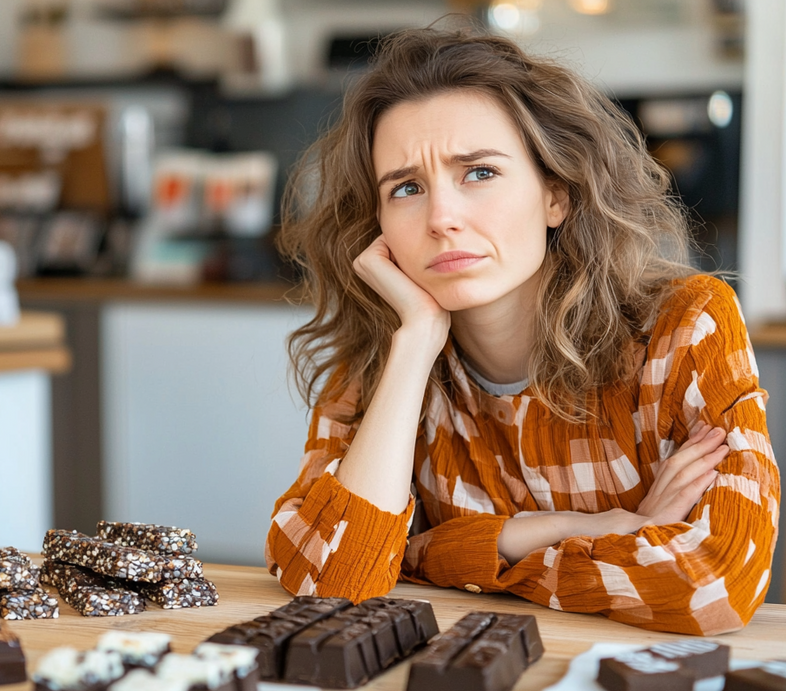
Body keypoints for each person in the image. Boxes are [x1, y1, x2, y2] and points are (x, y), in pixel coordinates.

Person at [265, 26, 779, 635]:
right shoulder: (384, 360)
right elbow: (328, 582)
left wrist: (426, 553)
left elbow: (713, 584)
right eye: (405, 188)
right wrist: (577, 530)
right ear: (378, 224)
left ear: (555, 194)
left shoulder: (687, 325)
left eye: (479, 173)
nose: (441, 219)